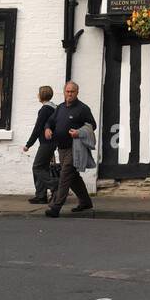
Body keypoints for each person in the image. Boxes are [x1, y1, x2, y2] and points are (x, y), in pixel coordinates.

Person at [44, 81, 97, 218]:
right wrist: (48, 129)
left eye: (72, 91)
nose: (69, 94)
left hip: (75, 148)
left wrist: (79, 132)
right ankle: (85, 202)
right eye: (67, 91)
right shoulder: (60, 108)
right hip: (61, 148)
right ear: (64, 92)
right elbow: (50, 121)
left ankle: (55, 207)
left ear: (77, 92)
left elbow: (92, 125)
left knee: (65, 175)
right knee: (73, 177)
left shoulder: (83, 108)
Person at [21, 85, 59, 204]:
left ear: (41, 95)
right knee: (42, 168)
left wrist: (28, 144)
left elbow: (38, 128)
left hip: (47, 143)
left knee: (37, 167)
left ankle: (55, 185)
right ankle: (41, 196)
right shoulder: (54, 108)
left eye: (38, 93)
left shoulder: (45, 110)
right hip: (52, 143)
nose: (37, 95)